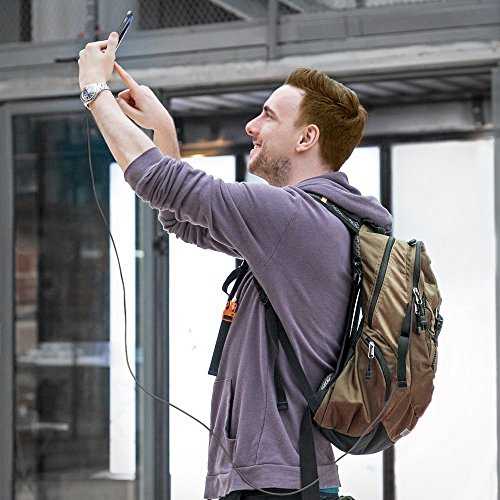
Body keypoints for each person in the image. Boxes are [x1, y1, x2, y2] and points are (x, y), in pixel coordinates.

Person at [78, 32, 392, 500]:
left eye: (268, 115)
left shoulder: (291, 217)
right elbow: (184, 221)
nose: (251, 125)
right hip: (287, 478)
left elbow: (161, 182)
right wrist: (163, 130)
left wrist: (94, 90)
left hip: (274, 484)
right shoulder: (317, 223)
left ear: (307, 137)